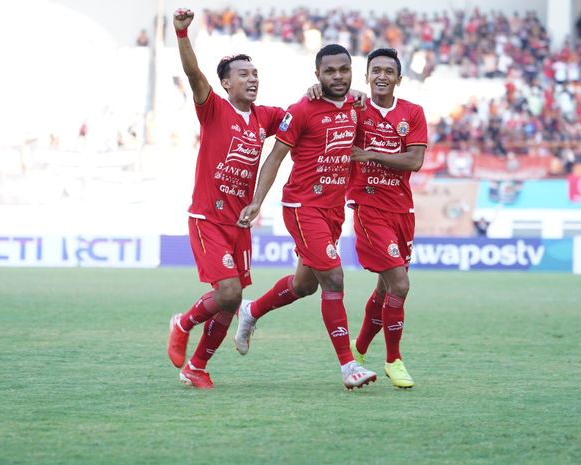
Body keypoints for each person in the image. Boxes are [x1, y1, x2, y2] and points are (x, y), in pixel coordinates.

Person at [235, 44, 377, 390]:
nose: (338, 76)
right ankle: (348, 367)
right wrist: (256, 202)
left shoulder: (358, 106)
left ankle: (251, 311)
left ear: (351, 71)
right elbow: (275, 156)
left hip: (332, 210)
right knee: (334, 280)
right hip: (302, 207)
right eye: (330, 71)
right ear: (318, 75)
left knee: (305, 285)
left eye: (343, 70)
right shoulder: (301, 110)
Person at [165, 8, 285, 389]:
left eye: (255, 74)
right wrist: (182, 34)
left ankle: (196, 367)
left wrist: (323, 94)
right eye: (244, 75)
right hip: (207, 219)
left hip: (240, 224)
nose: (252, 80)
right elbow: (193, 74)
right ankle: (182, 323)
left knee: (231, 302)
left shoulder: (263, 117)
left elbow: (299, 119)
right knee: (229, 292)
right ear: (226, 83)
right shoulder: (213, 107)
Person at [347, 48, 428, 388]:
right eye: (375, 70)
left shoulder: (413, 112)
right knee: (400, 284)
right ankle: (394, 360)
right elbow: (327, 97)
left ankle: (360, 348)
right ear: (366, 76)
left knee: (384, 289)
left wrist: (369, 154)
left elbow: (414, 161)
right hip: (368, 209)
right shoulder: (356, 108)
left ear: (398, 78)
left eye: (388, 71)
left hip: (402, 211)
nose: (381, 75)